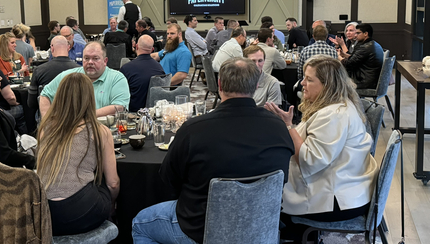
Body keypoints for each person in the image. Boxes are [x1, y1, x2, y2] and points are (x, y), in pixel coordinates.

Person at [132, 58, 294, 244]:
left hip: (199, 230)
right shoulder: (279, 127)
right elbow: (283, 178)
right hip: (262, 229)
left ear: (219, 84)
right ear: (257, 85)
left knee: (140, 223)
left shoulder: (194, 129)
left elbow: (169, 180)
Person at [267, 55, 378, 242]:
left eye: (309, 79)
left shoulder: (334, 115)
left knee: (271, 202)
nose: (302, 83)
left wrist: (287, 126)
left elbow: (309, 162)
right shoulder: (337, 106)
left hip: (335, 201)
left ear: (328, 85)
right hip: (346, 188)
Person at [37, 73, 120, 236]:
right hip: (82, 210)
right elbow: (113, 183)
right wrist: (112, 205)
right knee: (101, 179)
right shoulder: (99, 131)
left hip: (46, 214)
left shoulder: (45, 128)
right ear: (90, 98)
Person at [40, 42, 130, 117]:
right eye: (86, 58)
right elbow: (45, 94)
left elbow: (119, 107)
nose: (90, 62)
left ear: (105, 61)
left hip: (105, 131)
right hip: (71, 132)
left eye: (95, 58)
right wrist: (47, 123)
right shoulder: (70, 76)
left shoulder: (117, 78)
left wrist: (83, 117)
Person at [28, 35, 79, 110]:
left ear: (52, 48)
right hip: (74, 115)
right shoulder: (78, 70)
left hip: (48, 116)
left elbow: (31, 103)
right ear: (68, 47)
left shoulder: (39, 70)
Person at [121, 35, 166, 112]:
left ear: (137, 46)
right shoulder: (160, 68)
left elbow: (120, 95)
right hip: (155, 113)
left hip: (133, 114)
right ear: (152, 50)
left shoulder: (126, 69)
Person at [339, 23, 383, 89]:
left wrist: (338, 57)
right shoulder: (372, 44)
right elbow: (355, 58)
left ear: (365, 34)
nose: (355, 35)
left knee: (336, 80)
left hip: (363, 82)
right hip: (371, 80)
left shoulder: (365, 47)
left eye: (358, 33)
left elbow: (349, 64)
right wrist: (345, 55)